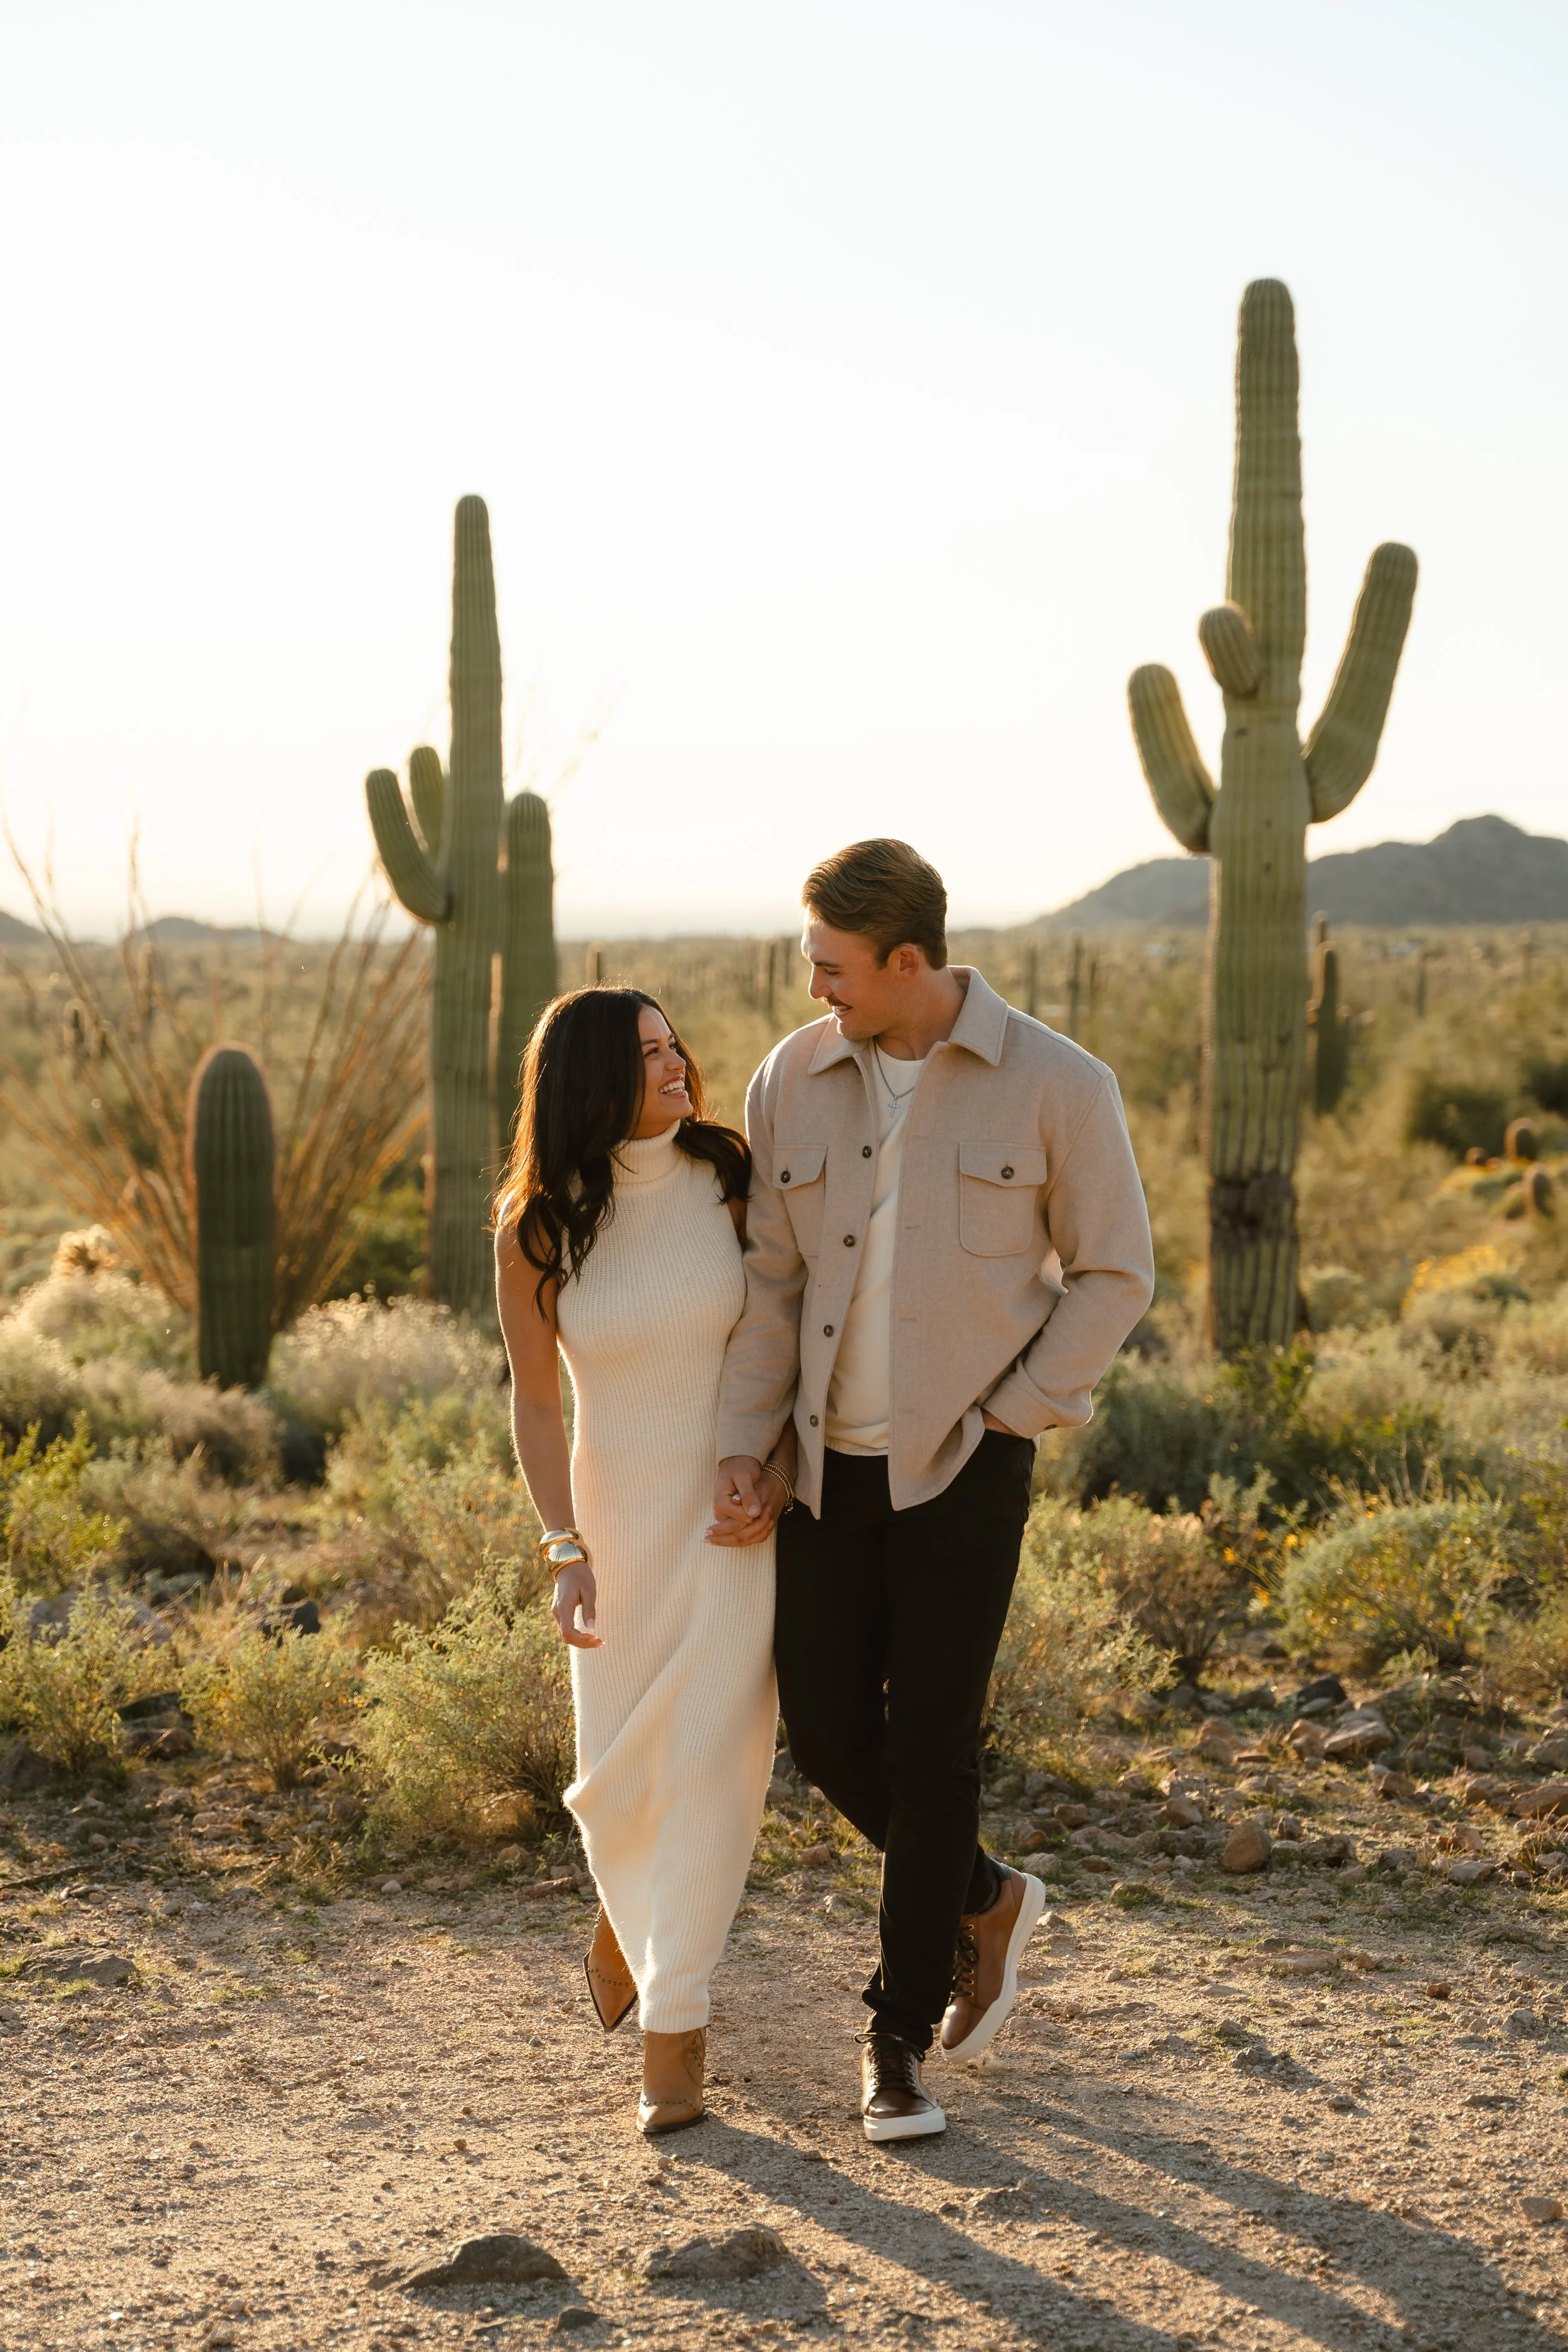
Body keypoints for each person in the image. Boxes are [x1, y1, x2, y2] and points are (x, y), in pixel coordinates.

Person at [709, 839, 1154, 2143]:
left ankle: (893, 2041)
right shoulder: (793, 1076)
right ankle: (983, 1896)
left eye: (834, 969)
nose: (814, 989)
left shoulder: (1059, 1086)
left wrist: (1012, 1414)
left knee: (930, 1747)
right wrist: (747, 1442)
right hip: (821, 1472)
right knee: (831, 1731)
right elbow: (770, 1282)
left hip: (965, 1469)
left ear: (908, 963)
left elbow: (1114, 1272)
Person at [496, 988, 790, 2137]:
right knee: (618, 1775)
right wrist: (562, 1546)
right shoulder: (541, 1222)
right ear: (589, 1081)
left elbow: (787, 1341)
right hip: (613, 1526)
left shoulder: (733, 1177)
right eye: (650, 1054)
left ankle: (675, 2031)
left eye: (679, 1043)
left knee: (716, 1758)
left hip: (731, 1522)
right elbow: (531, 1401)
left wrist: (768, 1470)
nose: (680, 1066)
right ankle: (634, 1913)